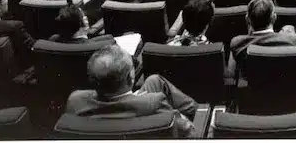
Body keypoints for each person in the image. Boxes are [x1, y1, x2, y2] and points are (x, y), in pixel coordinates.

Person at [64, 45, 198, 138]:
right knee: (196, 113)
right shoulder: (156, 103)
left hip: (121, 112)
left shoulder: (75, 100)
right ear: (131, 77)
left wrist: (133, 98)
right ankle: (199, 110)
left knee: (154, 80)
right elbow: (190, 131)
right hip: (140, 115)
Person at [229, 0, 296, 74]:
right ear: (274, 18)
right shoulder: (295, 40)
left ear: (247, 19)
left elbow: (231, 73)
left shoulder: (237, 44)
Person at [49, 0, 114, 44]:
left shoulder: (52, 41)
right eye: (84, 16)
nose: (86, 18)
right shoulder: (103, 43)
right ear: (84, 23)